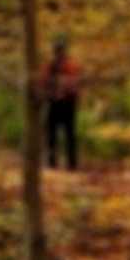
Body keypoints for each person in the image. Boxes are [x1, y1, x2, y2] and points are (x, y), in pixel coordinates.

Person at [34, 40, 83, 171]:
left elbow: (76, 85)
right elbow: (42, 82)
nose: (59, 54)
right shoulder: (50, 66)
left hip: (66, 103)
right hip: (57, 103)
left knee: (67, 134)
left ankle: (70, 163)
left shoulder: (70, 66)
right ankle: (54, 162)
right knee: (53, 134)